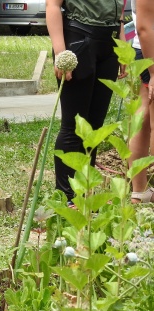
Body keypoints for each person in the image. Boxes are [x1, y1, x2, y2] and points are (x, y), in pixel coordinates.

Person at [46, 0, 127, 207]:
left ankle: (84, 193)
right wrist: (60, 53)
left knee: (94, 127)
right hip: (79, 40)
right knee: (74, 125)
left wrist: (122, 46)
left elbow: (118, 13)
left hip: (109, 45)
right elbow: (52, 6)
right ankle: (66, 197)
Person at [130, 0, 154, 203]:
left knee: (144, 113)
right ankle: (139, 190)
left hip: (144, 48)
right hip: (150, 51)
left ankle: (139, 192)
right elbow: (144, 26)